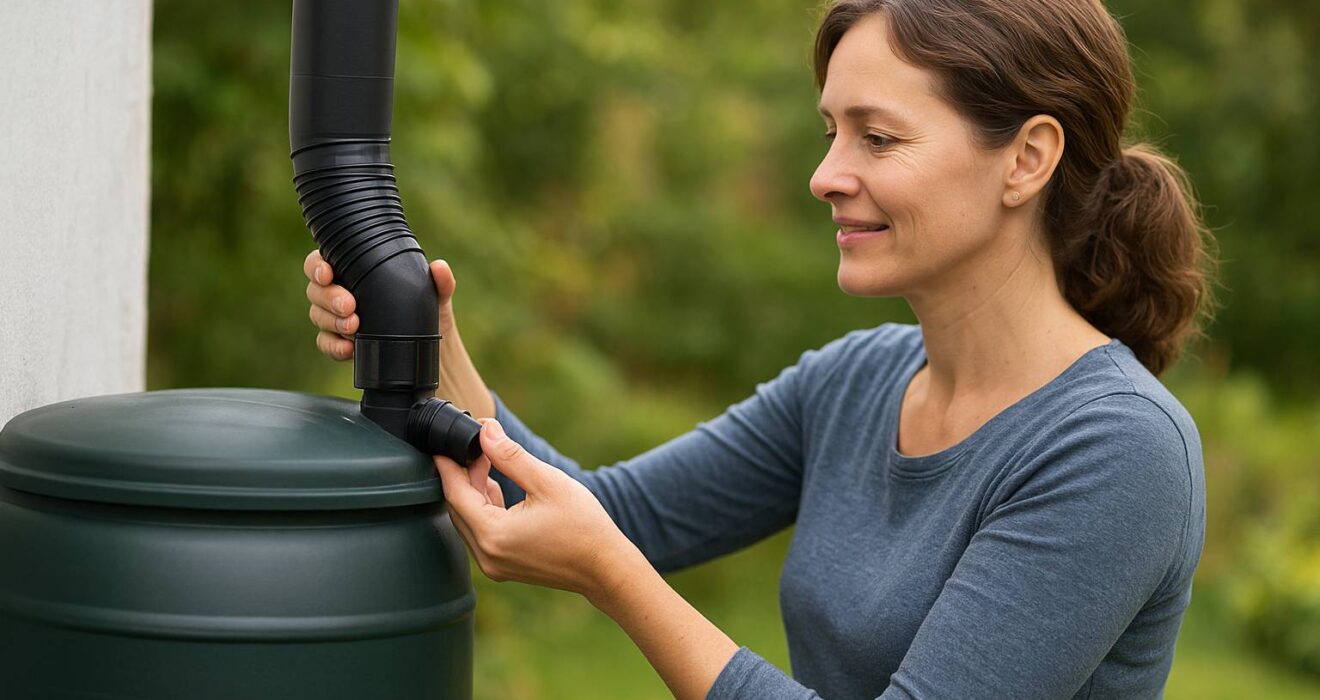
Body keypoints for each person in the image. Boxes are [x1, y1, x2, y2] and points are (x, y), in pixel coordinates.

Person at [303, 1, 1214, 697]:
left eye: (879, 137)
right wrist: (429, 332)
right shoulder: (854, 383)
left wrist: (612, 580)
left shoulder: (1114, 450)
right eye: (831, 133)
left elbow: (613, 548)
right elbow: (617, 514)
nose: (825, 175)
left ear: (1027, 158)